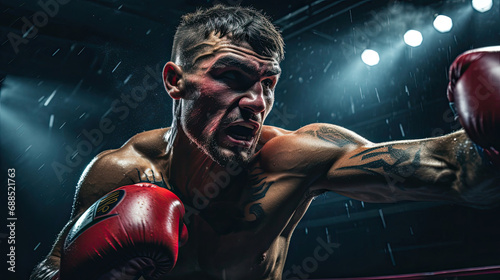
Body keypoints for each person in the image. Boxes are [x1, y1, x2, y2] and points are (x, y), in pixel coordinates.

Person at [31, 4, 500, 280]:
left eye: (268, 83)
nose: (256, 102)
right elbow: (49, 269)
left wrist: (488, 138)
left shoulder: (297, 156)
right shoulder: (120, 172)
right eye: (232, 77)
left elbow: (456, 173)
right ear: (175, 81)